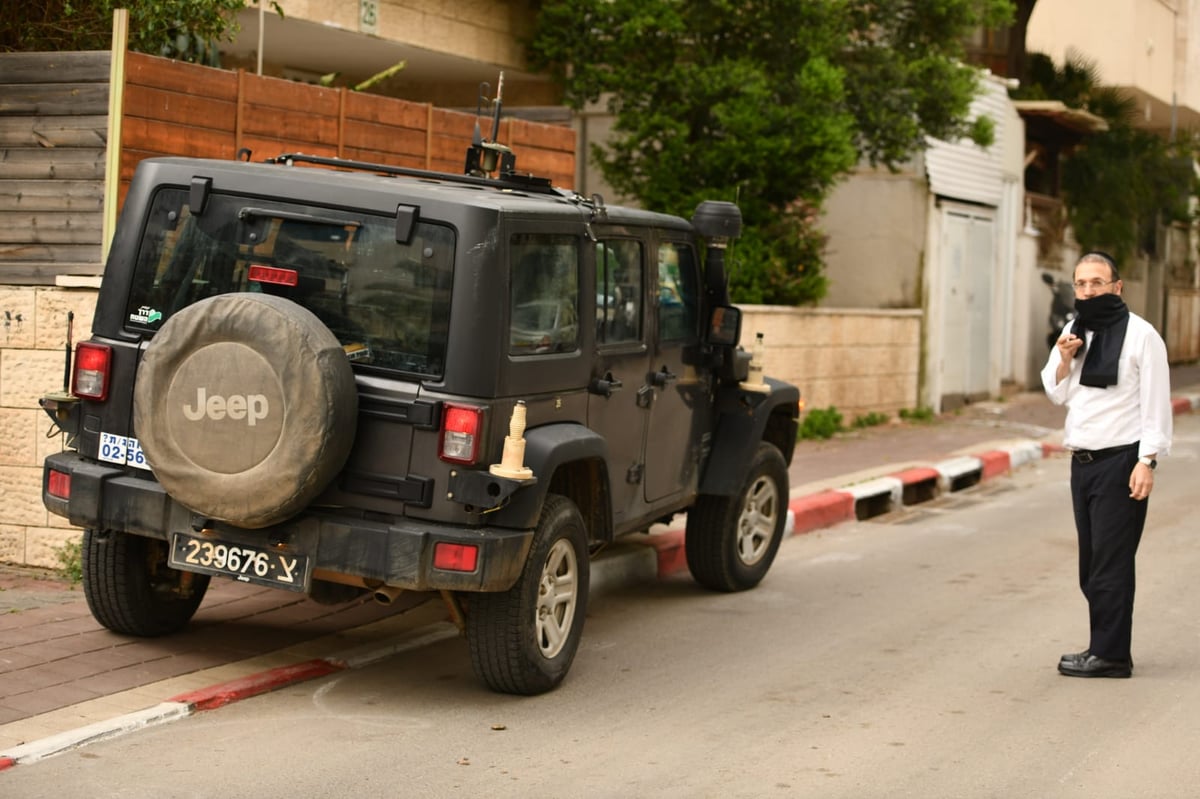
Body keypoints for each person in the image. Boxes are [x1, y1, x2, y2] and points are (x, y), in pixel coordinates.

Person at [1041, 251, 1172, 678]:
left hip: (1120, 462)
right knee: (1092, 563)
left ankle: (1111, 655)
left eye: (1097, 283)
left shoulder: (1141, 335)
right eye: (1081, 284)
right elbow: (1057, 393)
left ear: (1117, 287)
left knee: (1112, 563)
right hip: (1083, 462)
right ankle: (1103, 647)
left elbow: (1156, 405)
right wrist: (1064, 359)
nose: (1088, 291)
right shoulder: (1073, 330)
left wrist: (1147, 461)